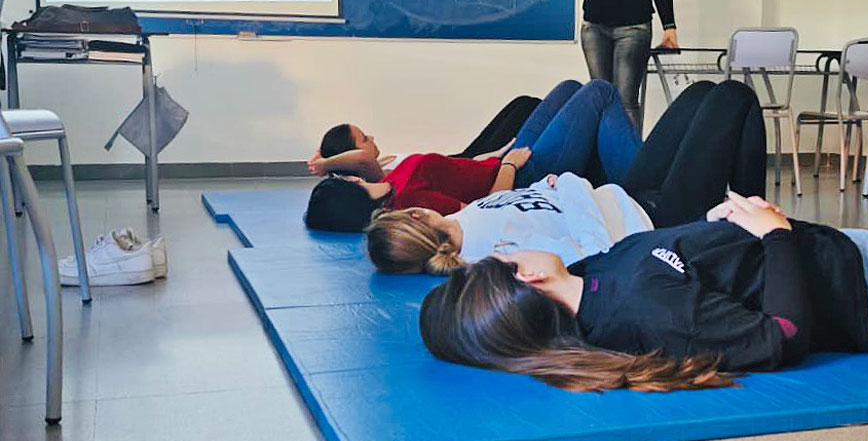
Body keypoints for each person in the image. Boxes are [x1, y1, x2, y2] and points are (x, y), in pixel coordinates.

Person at [419, 192, 868, 394]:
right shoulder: (645, 313)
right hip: (867, 287)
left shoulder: (592, 274)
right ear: (527, 278)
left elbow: (679, 262)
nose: (514, 248)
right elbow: (785, 334)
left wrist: (715, 230)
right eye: (506, 254)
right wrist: (775, 235)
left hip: (839, 246)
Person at [367, 79, 766, 273]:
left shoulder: (464, 220)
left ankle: (750, 225)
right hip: (655, 221)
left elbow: (530, 201)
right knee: (733, 95)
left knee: (698, 92)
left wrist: (546, 186)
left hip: (626, 194)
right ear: (416, 218)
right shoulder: (495, 252)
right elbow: (594, 255)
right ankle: (756, 233)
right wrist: (572, 186)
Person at [304, 78, 643, 231]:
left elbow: (455, 170)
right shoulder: (409, 201)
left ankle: (619, 178)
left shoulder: (391, 180)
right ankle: (640, 187)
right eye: (345, 179)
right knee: (599, 92)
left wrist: (495, 155)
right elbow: (487, 211)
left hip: (501, 162)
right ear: (350, 186)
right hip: (522, 176)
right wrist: (509, 165)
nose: (348, 174)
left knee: (569, 87)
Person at [308, 95, 542, 183]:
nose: (371, 137)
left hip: (455, 159)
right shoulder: (373, 178)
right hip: (468, 165)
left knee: (523, 102)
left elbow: (355, 156)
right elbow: (360, 159)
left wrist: (323, 155)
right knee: (530, 107)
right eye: (364, 138)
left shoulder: (380, 163)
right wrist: (324, 164)